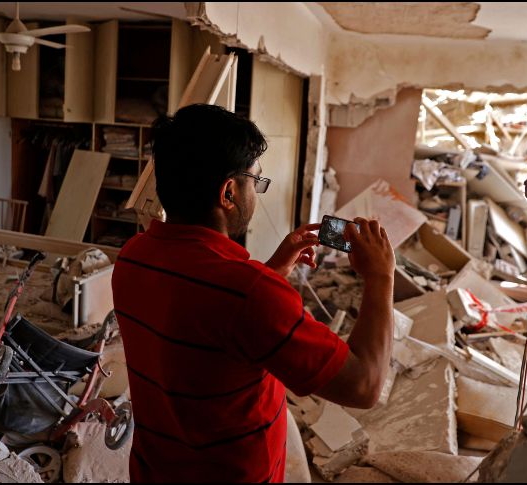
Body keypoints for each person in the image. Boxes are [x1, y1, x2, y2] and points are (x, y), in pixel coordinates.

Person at [111, 104, 395, 483]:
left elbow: (204, 325)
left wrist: (271, 271)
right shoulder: (249, 293)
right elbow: (364, 386)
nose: (256, 192)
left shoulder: (133, 257)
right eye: (256, 180)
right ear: (229, 192)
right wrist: (381, 276)